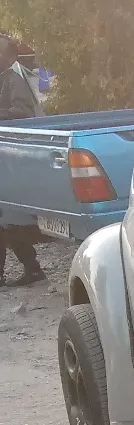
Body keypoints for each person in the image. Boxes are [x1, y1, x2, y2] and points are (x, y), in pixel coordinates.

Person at [0, 32, 46, 286]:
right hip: (5, 155)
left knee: (10, 217)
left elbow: (23, 112)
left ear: (10, 57)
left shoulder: (14, 80)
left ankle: (32, 268)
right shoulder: (3, 79)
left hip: (11, 156)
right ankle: (31, 268)